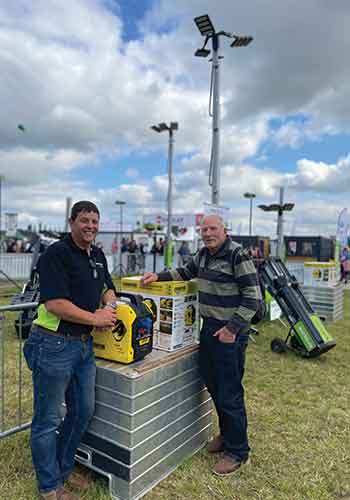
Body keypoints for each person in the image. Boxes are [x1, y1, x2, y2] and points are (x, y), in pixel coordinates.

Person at [142, 215, 262, 476]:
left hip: (229, 333)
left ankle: (238, 451)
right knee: (213, 385)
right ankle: (228, 434)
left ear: (224, 229)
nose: (208, 233)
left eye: (213, 228)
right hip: (208, 330)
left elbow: (254, 298)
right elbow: (185, 272)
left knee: (229, 391)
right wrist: (157, 276)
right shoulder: (204, 255)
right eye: (204, 229)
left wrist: (231, 330)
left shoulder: (237, 255)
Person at [23, 201, 118, 500]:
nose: (90, 226)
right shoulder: (56, 254)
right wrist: (96, 318)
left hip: (83, 346)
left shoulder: (98, 254)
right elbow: (55, 304)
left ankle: (63, 470)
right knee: (48, 419)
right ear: (72, 222)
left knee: (83, 410)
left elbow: (107, 288)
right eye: (85, 220)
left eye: (95, 221)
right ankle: (49, 488)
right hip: (54, 344)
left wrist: (110, 306)